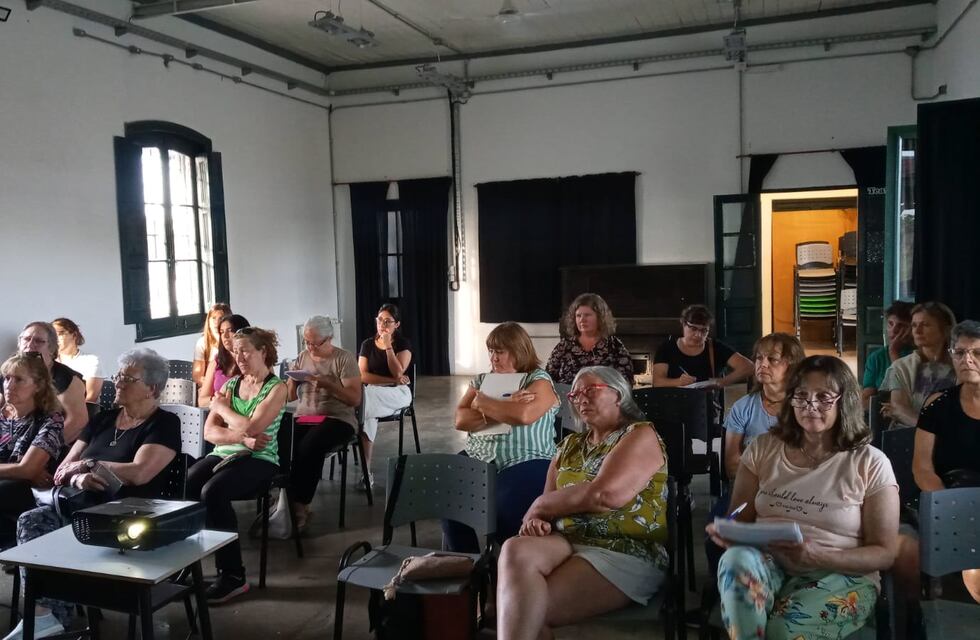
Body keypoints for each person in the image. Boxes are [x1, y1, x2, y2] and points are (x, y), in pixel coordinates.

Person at [706, 355, 899, 640]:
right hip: (769, 563)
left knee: (781, 632)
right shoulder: (763, 448)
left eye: (823, 397)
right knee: (735, 560)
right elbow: (740, 517)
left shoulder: (869, 462)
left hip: (839, 572)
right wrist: (729, 532)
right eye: (801, 396)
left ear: (844, 401)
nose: (810, 407)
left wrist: (818, 554)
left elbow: (884, 553)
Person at [7, 348, 179, 640]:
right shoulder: (103, 419)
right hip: (80, 505)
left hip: (129, 516)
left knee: (45, 529)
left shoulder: (163, 423)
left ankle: (49, 616)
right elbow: (63, 469)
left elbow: (140, 472)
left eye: (127, 378)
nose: (118, 383)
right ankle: (45, 615)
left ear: (152, 388)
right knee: (31, 521)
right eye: (118, 376)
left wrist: (90, 465)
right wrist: (81, 478)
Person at [496, 366, 669, 640]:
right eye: (576, 395)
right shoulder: (569, 446)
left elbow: (605, 496)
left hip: (622, 548)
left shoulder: (640, 434)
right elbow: (549, 502)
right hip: (566, 540)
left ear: (619, 394)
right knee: (515, 549)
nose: (581, 399)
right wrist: (538, 521)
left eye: (591, 390)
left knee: (523, 611)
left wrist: (540, 505)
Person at [185, 327, 287, 604]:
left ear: (262, 352)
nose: (239, 357)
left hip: (260, 459)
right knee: (189, 481)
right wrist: (241, 434)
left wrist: (221, 409)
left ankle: (232, 576)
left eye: (245, 351)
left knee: (213, 491)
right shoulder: (231, 385)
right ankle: (187, 564)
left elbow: (254, 429)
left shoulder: (276, 388)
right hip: (225, 453)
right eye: (235, 351)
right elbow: (208, 433)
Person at [450, 321, 559, 552]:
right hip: (478, 455)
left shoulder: (538, 379)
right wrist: (506, 404)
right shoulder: (481, 380)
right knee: (450, 502)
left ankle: (511, 565)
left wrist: (482, 403)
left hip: (527, 458)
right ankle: (468, 567)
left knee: (505, 510)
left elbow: (524, 415)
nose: (494, 358)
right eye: (491, 351)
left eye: (500, 352)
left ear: (518, 351)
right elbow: (460, 419)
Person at [893, 320, 980, 603]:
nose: (967, 359)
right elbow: (922, 468)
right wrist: (953, 509)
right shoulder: (938, 405)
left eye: (977, 353)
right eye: (960, 352)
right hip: (945, 499)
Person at [287, 316, 362, 529]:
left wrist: (326, 384)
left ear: (329, 338)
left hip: (336, 418)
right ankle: (286, 497)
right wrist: (292, 379)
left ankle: (300, 504)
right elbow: (290, 396)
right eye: (306, 342)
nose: (310, 347)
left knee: (310, 445)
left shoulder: (344, 359)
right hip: (308, 416)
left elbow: (354, 399)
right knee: (285, 439)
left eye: (314, 343)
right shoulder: (303, 356)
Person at [722, 333, 805, 481]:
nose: (763, 364)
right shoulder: (743, 407)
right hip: (753, 487)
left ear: (792, 365)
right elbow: (732, 466)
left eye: (772, 359)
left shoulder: (806, 407)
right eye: (759, 358)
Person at [0, 355, 64, 539]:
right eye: (7, 378)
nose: (9, 385)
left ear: (38, 385)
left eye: (18, 379)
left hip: (27, 491)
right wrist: (16, 469)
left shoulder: (50, 419)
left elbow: (27, 470)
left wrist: (23, 470)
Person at [880, 301, 957, 427]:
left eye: (925, 325)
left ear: (946, 329)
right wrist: (932, 429)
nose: (917, 331)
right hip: (908, 436)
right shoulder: (901, 367)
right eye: (914, 325)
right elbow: (899, 408)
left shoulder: (962, 364)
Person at [358, 303, 412, 468]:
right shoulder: (367, 344)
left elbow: (397, 373)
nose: (382, 324)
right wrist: (391, 380)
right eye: (380, 320)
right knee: (367, 413)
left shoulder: (403, 344)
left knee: (364, 404)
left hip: (398, 394)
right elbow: (362, 376)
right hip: (373, 393)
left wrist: (388, 346)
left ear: (397, 324)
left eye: (388, 321)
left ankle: (347, 420)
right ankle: (366, 471)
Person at [651, 304, 753, 389]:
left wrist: (723, 381)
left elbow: (749, 367)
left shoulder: (715, 347)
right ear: (683, 324)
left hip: (707, 408)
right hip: (674, 406)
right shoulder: (667, 348)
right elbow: (657, 382)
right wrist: (678, 382)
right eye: (693, 328)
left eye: (704, 330)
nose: (698, 335)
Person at [16, 322, 87, 443]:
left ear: (51, 348)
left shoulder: (65, 378)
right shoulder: (10, 373)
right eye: (26, 339)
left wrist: (41, 449)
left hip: (49, 443)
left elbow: (77, 421)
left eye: (38, 341)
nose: (30, 344)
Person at [545, 293, 634, 385]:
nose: (582, 320)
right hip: (569, 397)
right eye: (578, 315)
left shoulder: (615, 346)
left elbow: (625, 382)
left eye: (587, 315)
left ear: (600, 318)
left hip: (604, 397)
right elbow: (547, 378)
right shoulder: (564, 346)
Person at [861, 301, 914, 409]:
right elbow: (866, 401)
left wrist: (894, 352)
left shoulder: (919, 354)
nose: (893, 330)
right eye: (890, 323)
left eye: (901, 326)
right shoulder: (876, 357)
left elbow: (909, 395)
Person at [198, 314, 250, 408]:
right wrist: (220, 401)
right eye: (221, 332)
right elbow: (202, 401)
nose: (225, 336)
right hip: (218, 414)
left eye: (230, 331)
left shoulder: (256, 360)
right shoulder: (216, 362)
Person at [52, 317, 104, 404]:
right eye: (52, 335)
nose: (55, 339)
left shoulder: (91, 361)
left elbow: (91, 398)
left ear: (74, 335)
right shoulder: (49, 362)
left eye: (59, 334)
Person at [193, 302, 231, 386]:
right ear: (208, 320)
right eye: (213, 318)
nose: (216, 322)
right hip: (210, 387)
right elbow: (197, 376)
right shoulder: (202, 342)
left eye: (221, 318)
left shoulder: (235, 341)